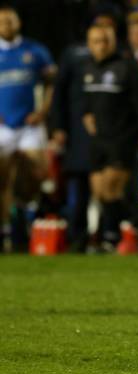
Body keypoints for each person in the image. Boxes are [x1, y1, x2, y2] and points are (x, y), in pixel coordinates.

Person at [82, 24, 138, 250]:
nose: (101, 45)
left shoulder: (126, 67)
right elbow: (85, 101)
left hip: (122, 137)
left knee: (111, 187)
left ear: (114, 42)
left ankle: (112, 236)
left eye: (105, 40)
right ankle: (133, 223)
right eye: (96, 41)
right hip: (98, 140)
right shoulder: (87, 69)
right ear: (89, 44)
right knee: (99, 192)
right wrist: (86, 115)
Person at [0, 5, 56, 252]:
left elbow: (53, 83)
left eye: (10, 21)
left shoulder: (35, 50)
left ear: (18, 23)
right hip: (2, 125)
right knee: (1, 178)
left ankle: (28, 216)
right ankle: (7, 228)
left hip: (30, 124)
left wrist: (43, 111)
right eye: (2, 22)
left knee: (35, 172)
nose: (6, 26)